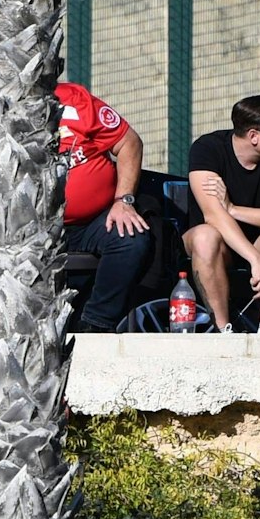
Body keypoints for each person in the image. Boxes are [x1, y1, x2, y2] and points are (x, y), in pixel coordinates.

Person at [183, 94, 260, 335]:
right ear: (254, 136)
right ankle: (221, 330)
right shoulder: (207, 149)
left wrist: (233, 209)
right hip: (219, 247)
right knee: (205, 236)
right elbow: (214, 217)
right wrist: (255, 260)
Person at [55, 80, 157, 332]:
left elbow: (129, 143)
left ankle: (95, 326)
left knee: (130, 237)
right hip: (25, 234)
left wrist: (123, 201)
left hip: (91, 223)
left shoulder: (74, 99)